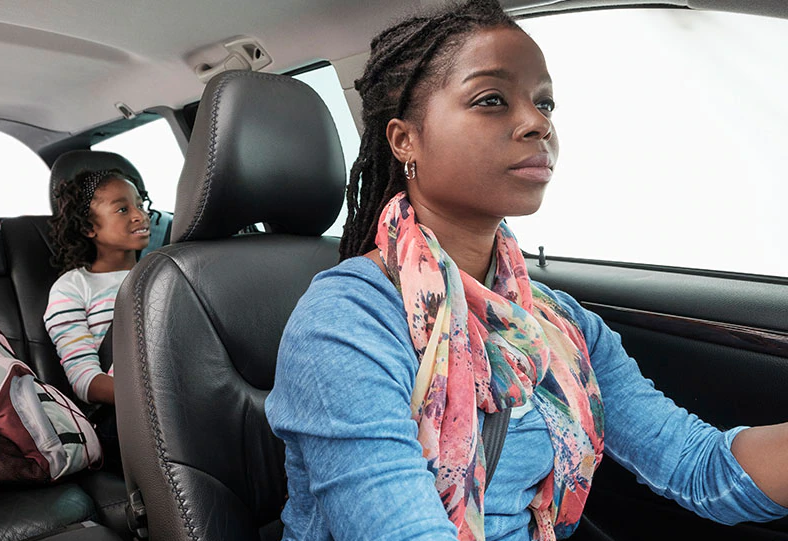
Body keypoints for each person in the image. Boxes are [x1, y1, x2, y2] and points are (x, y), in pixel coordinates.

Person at [264, 2, 788, 540]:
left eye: (545, 103)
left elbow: (698, 466)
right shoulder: (346, 322)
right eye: (491, 100)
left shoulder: (559, 324)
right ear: (405, 140)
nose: (538, 122)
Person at [45, 168, 154, 470]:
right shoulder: (72, 289)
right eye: (123, 209)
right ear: (89, 228)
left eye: (140, 205)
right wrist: (154, 397)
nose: (139, 216)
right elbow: (85, 380)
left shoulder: (165, 272)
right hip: (124, 415)